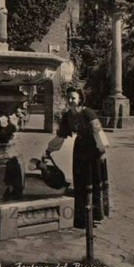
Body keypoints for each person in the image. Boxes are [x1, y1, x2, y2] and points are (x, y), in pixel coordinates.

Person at [44, 87, 109, 229]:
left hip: (93, 149)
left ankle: (95, 215)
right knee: (80, 181)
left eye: (73, 97)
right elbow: (61, 135)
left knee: (93, 179)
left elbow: (98, 133)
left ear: (80, 99)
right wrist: (50, 149)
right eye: (69, 98)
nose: (71, 100)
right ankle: (81, 216)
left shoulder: (88, 113)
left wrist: (102, 150)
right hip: (80, 149)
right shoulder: (67, 116)